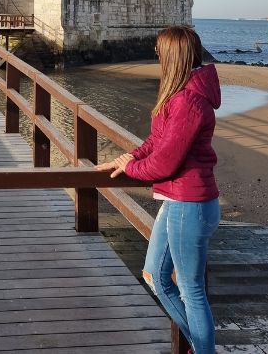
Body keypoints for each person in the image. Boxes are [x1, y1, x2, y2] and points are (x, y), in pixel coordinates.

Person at [95, 26, 221, 354]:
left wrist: (132, 169)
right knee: (155, 275)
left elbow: (165, 162)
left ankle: (203, 350)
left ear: (172, 56)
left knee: (191, 290)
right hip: (178, 201)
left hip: (190, 204)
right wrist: (131, 157)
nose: (156, 56)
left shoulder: (188, 101)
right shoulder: (180, 94)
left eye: (159, 52)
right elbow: (158, 140)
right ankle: (200, 347)